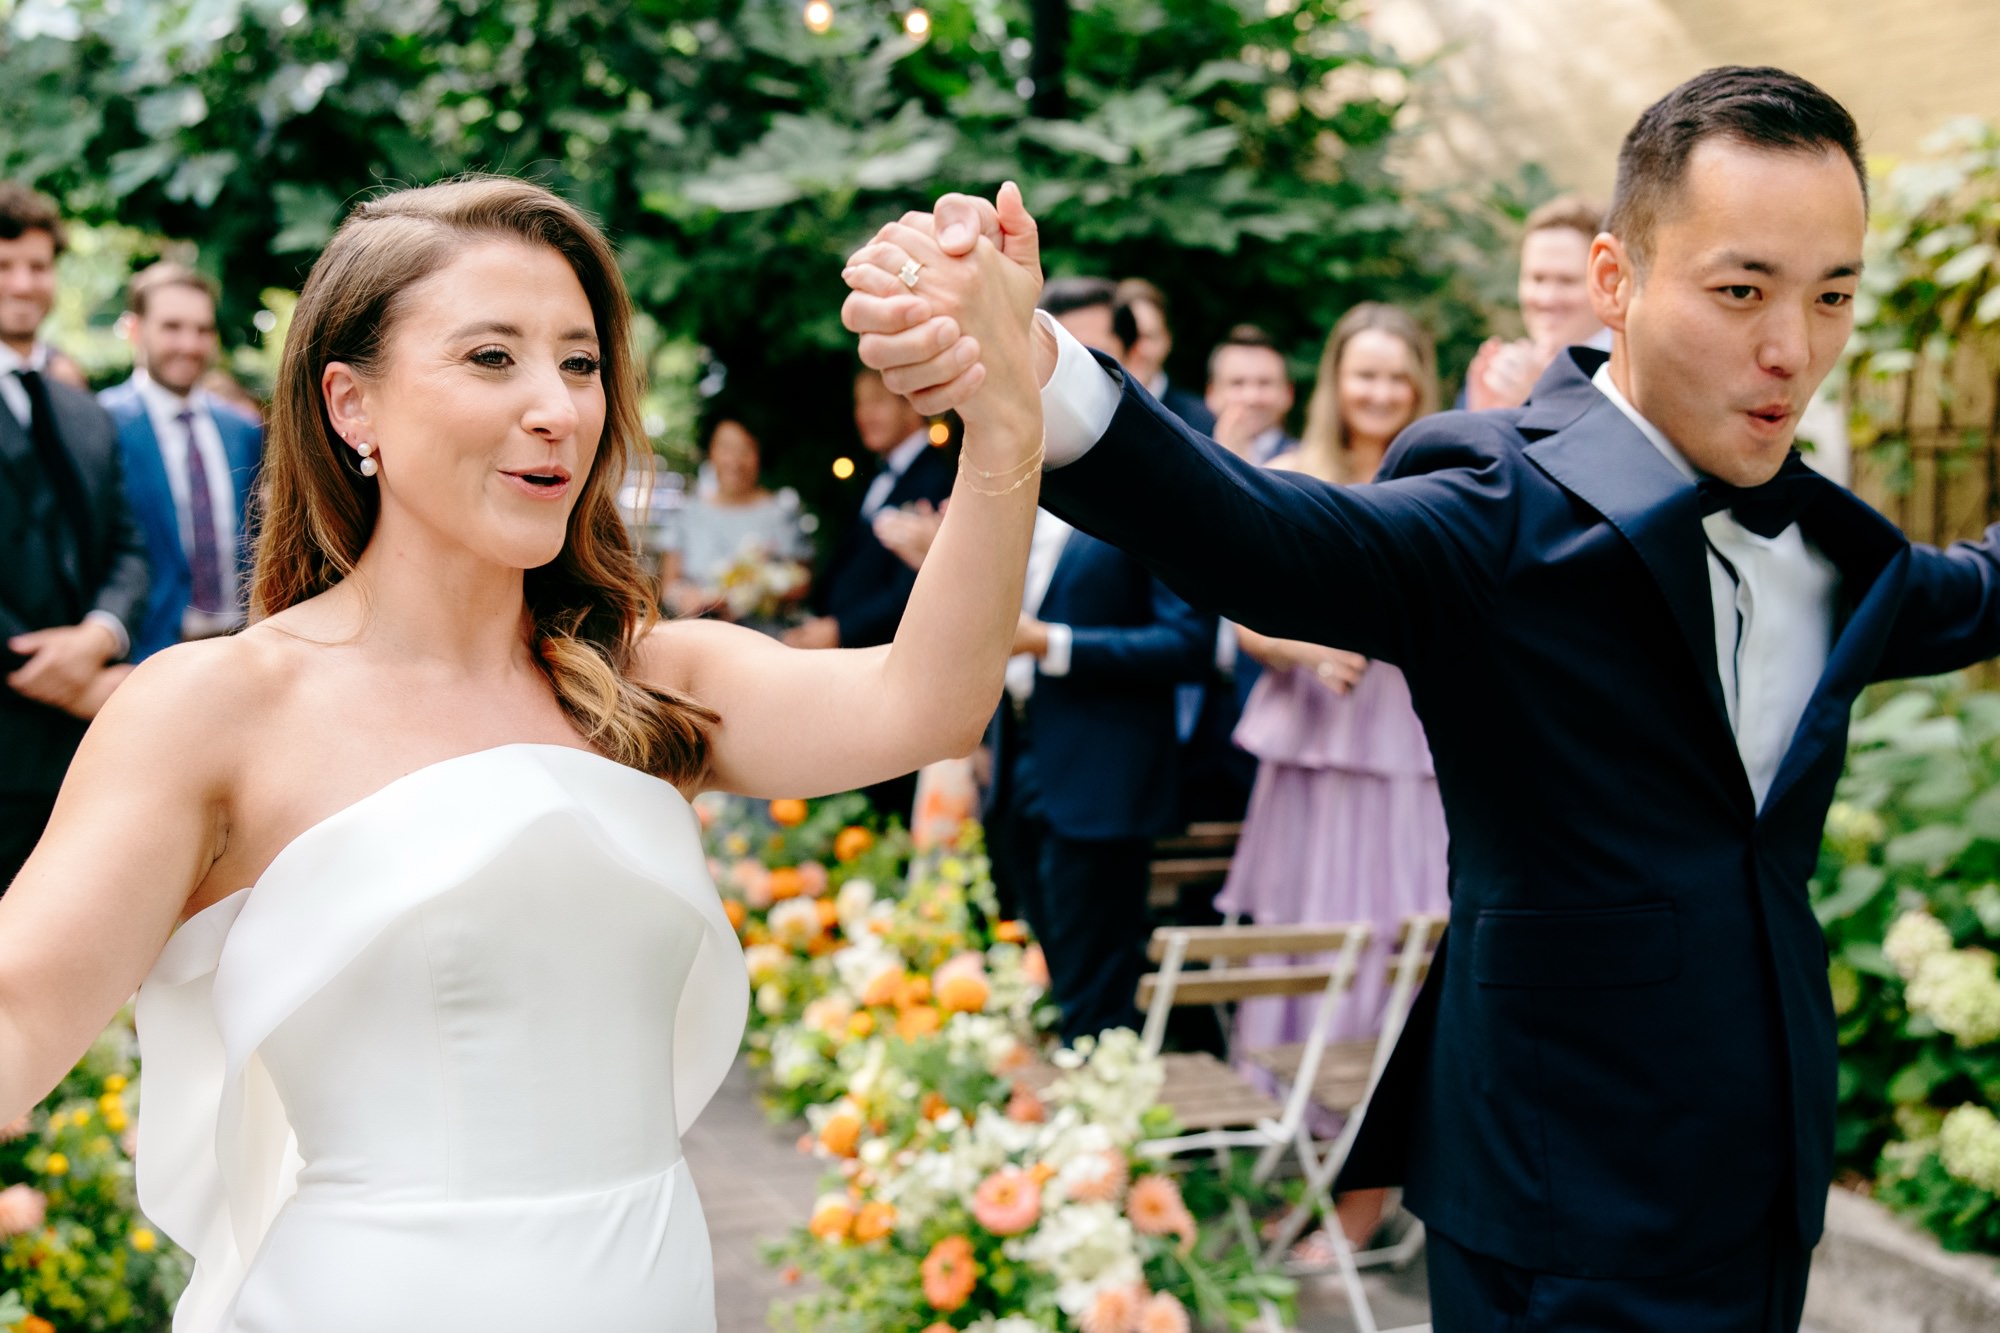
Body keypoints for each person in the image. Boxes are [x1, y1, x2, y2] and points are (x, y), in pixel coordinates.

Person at [846, 66, 2000, 1332]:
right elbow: (1264, 536)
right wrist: (1035, 365)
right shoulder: (1496, 501)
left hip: (1763, 1194)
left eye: (1830, 295)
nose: (1792, 347)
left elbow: (1978, 591)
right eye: (1741, 291)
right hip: (1557, 1207)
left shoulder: (1836, 550)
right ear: (1613, 281)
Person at [0, 174, 1044, 1332]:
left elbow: (929, 703)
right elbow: (16, 1016)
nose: (557, 406)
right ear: (353, 405)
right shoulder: (216, 707)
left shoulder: (645, 682)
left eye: (581, 363)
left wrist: (1003, 417)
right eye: (492, 358)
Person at [1219, 302, 1448, 1252]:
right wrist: (1308, 650)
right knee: (1305, 965)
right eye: (1366, 375)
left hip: (1408, 759)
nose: (1382, 395)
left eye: (1399, 378)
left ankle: (1367, 1194)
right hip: (1314, 759)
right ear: (1335, 382)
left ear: (1423, 386)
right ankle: (1309, 1176)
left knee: (1400, 961)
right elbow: (1240, 615)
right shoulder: (1292, 477)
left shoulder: (1447, 477)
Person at [0, 182, 150, 893]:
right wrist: (63, 678)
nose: (24, 283)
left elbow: (126, 543)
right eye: (4, 266)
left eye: (37, 265)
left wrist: (100, 635)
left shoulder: (81, 408)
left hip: (82, 757)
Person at [101, 262, 265, 661]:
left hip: (238, 643)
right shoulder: (100, 424)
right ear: (135, 329)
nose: (189, 345)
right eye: (172, 327)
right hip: (145, 651)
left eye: (202, 330)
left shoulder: (241, 430)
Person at [786, 368, 954, 652]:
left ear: (912, 404)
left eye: (877, 401)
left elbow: (917, 583)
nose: (864, 415)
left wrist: (841, 630)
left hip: (884, 653)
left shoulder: (938, 479)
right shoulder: (876, 477)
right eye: (859, 403)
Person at [656, 414, 808, 633]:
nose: (735, 462)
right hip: (700, 636)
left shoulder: (780, 514)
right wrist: (687, 598)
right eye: (726, 448)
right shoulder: (687, 513)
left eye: (745, 450)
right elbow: (668, 584)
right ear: (711, 452)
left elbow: (802, 584)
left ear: (759, 454)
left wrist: (751, 595)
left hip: (764, 639)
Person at [1464, 194, 1607, 411]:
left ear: (1607, 281)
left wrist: (1538, 400)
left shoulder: (1630, 377)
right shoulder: (1500, 376)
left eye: (1567, 281)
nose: (1546, 299)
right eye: (1537, 279)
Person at [1114, 278, 1215, 434]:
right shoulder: (1084, 413)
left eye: (1147, 336)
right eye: (1127, 336)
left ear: (1167, 340)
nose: (1137, 349)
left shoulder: (1203, 421)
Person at [1205, 324, 1295, 464]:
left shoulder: (1311, 464)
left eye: (1265, 383)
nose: (1251, 398)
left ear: (1288, 393)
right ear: (1211, 393)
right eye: (1237, 383)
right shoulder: (1186, 461)